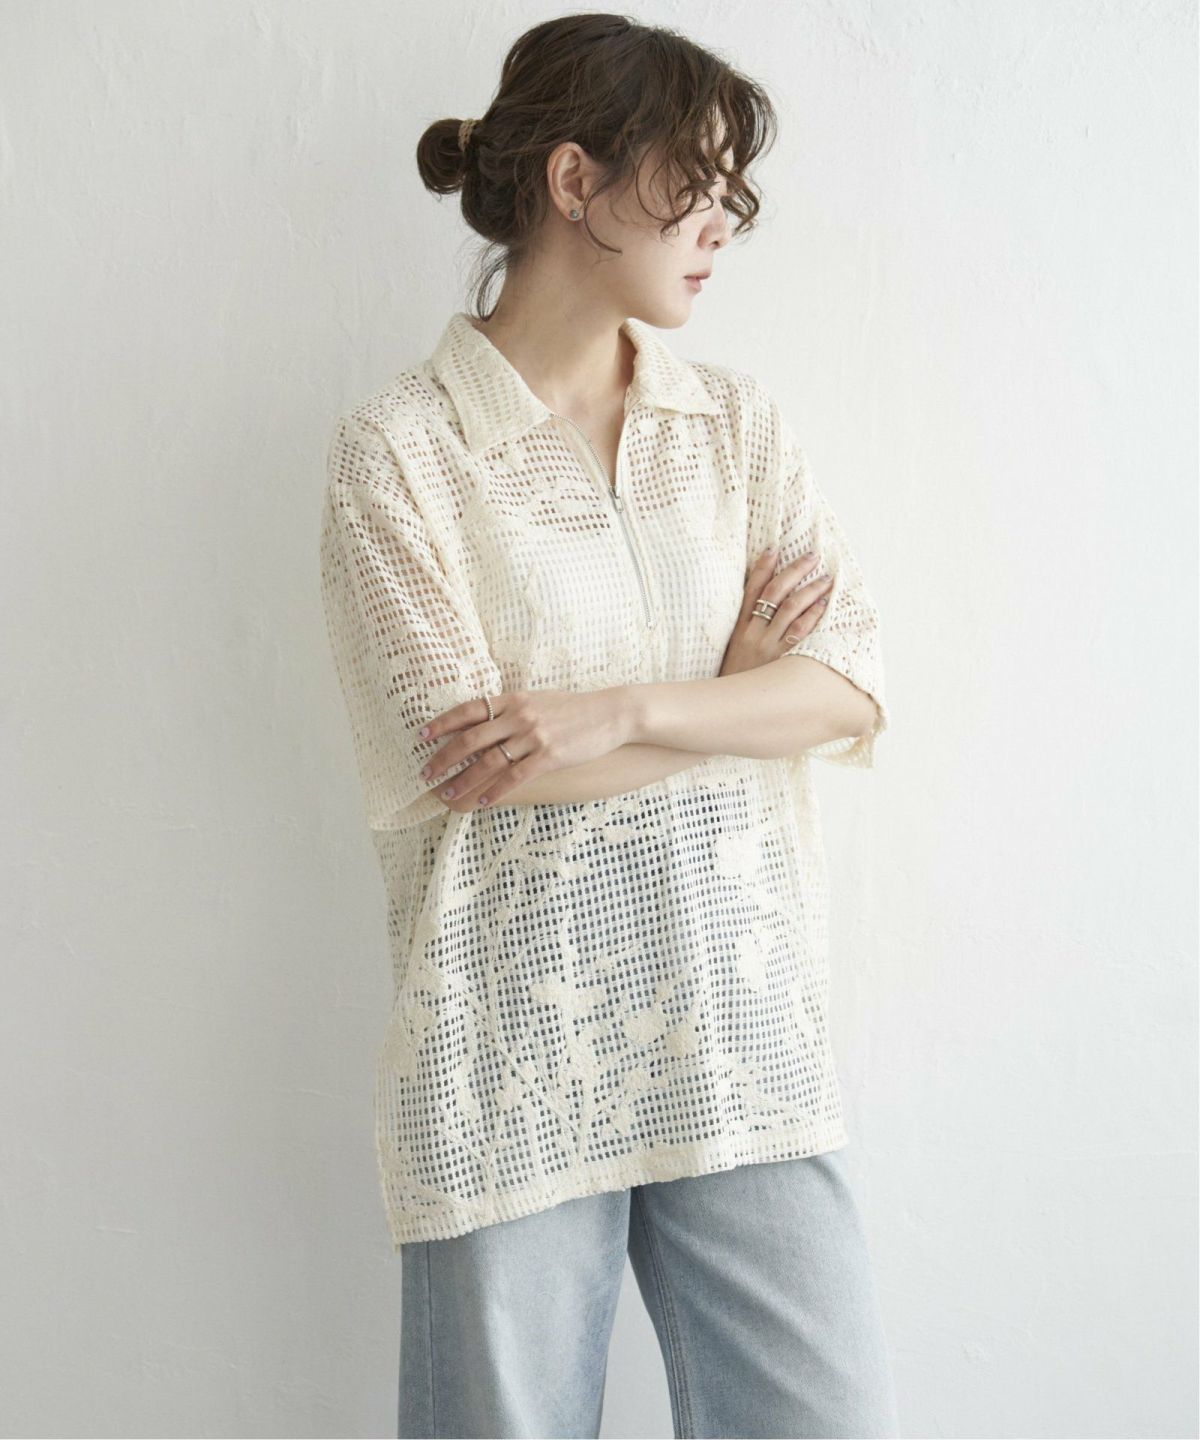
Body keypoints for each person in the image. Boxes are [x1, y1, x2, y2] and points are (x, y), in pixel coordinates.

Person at [318, 13, 899, 1439]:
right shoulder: (403, 451)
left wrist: (627, 709)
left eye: (729, 193)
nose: (720, 225)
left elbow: (847, 687)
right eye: (692, 183)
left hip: (740, 1028)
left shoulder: (735, 428)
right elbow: (474, 770)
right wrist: (738, 702)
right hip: (510, 1045)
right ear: (574, 181)